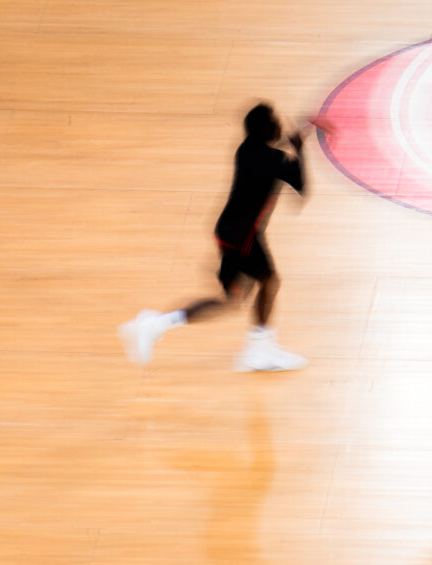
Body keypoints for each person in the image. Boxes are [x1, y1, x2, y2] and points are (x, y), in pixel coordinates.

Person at [119, 102, 309, 372]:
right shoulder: (276, 161)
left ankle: (155, 324)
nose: (280, 123)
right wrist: (299, 148)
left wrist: (291, 142)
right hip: (244, 237)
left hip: (229, 233)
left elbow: (271, 151)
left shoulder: (245, 150)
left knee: (230, 299)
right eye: (276, 121)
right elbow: (301, 188)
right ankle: (259, 352)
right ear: (268, 129)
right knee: (269, 282)